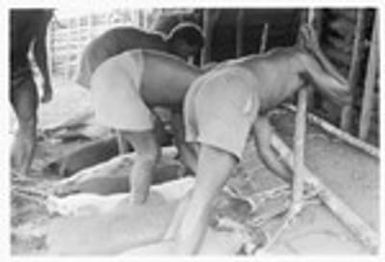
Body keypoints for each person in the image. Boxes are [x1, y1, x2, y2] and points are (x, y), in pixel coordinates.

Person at [159, 24, 352, 254]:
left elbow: (266, 153)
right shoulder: (302, 58)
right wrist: (318, 52)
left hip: (203, 87)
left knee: (203, 185)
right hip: (230, 90)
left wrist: (296, 183)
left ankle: (170, 243)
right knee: (204, 198)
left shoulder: (266, 76)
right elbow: (345, 93)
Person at [90, 49, 202, 204]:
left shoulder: (189, 88)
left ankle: (137, 200)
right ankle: (136, 206)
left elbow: (182, 140)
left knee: (149, 152)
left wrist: (201, 175)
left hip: (111, 74)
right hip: (118, 79)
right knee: (148, 153)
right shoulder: (203, 88)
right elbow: (193, 140)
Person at [75, 22, 204, 89]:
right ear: (180, 43)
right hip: (103, 53)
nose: (188, 59)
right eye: (189, 53)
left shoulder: (159, 44)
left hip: (100, 50)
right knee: (116, 98)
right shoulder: (158, 48)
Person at [10, 9, 54, 176]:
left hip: (21, 73)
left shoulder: (43, 13)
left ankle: (22, 175)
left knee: (29, 122)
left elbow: (39, 47)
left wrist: (47, 81)